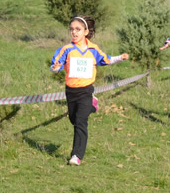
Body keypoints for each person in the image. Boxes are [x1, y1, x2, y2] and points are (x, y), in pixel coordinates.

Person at [50, 15, 129, 166]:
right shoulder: (66, 50)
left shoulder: (93, 49)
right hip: (71, 91)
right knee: (73, 119)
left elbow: (106, 59)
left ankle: (76, 155)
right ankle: (93, 105)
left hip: (86, 90)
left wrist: (120, 57)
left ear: (86, 32)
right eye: (72, 29)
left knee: (80, 121)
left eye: (78, 29)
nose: (74, 32)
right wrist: (54, 68)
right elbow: (56, 65)